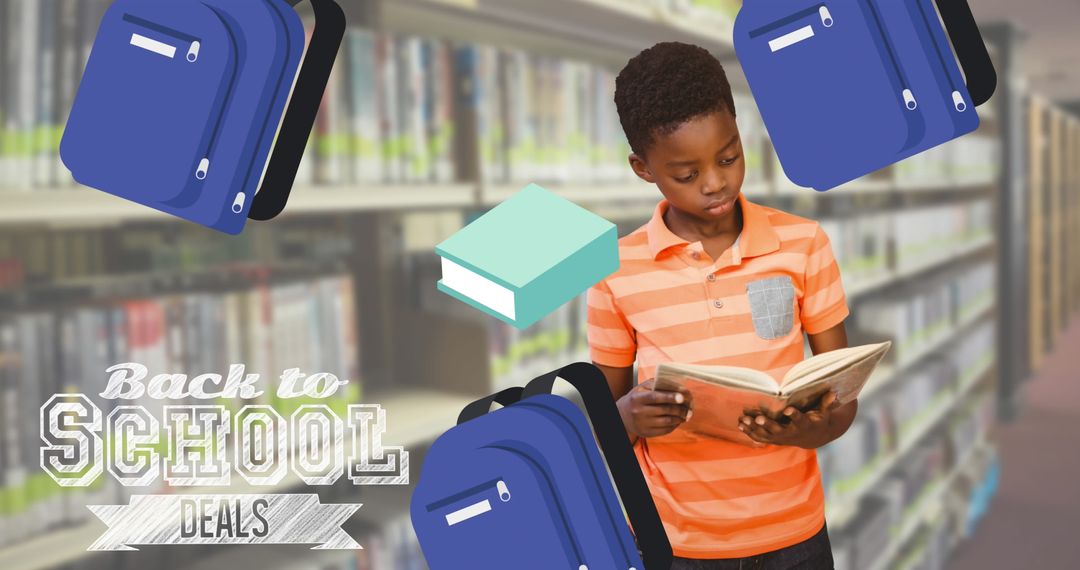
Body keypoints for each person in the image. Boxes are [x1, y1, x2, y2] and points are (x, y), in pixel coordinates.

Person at [588, 41, 855, 569]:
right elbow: (603, 424)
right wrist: (629, 416)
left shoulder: (803, 244)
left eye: (730, 156)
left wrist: (811, 428)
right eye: (686, 174)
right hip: (676, 544)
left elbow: (841, 399)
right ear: (643, 168)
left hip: (794, 535)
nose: (716, 183)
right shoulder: (613, 270)